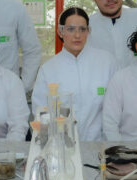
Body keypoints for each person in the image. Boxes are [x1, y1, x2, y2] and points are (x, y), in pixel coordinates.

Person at [31, 7, 116, 141]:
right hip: (61, 146)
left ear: (89, 31)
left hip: (99, 145)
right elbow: (41, 112)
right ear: (60, 31)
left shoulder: (107, 62)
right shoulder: (48, 69)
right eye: (71, 29)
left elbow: (115, 109)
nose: (77, 35)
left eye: (82, 29)